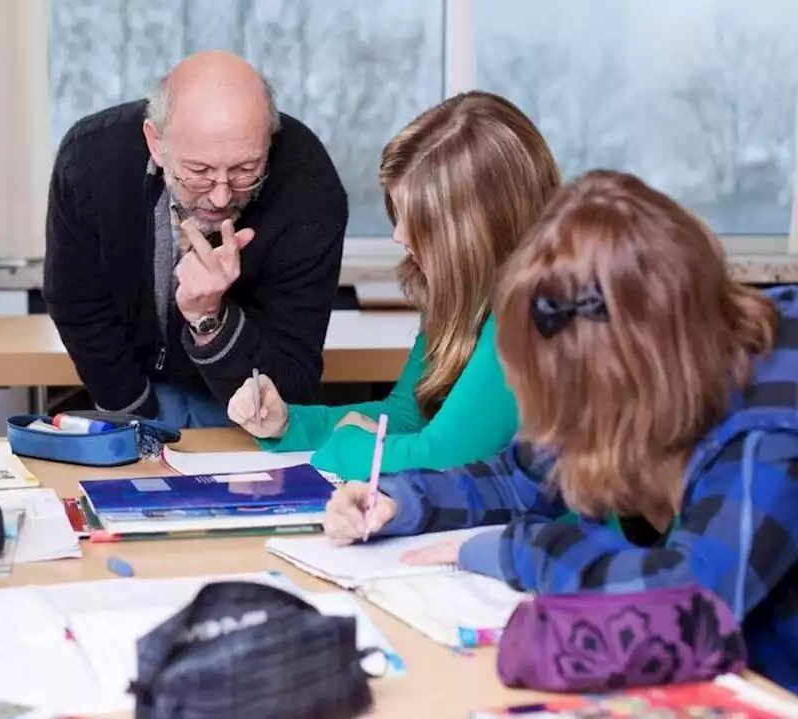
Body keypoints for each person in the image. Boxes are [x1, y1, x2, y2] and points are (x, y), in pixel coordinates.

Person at [324, 171, 798, 691]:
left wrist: (521, 549)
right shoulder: (644, 360)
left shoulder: (771, 431)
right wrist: (402, 500)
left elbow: (685, 599)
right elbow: (519, 477)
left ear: (626, 365)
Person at [228, 91, 560, 480]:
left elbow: (440, 458)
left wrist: (349, 444)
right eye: (397, 214)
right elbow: (406, 416)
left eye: (417, 220)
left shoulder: (531, 315)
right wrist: (289, 424)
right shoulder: (458, 294)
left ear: (477, 229)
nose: (399, 235)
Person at [43, 50, 348, 429]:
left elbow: (291, 383)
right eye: (199, 171)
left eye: (246, 169)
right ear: (156, 143)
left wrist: (211, 318)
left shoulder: (308, 185)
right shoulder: (89, 159)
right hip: (130, 385)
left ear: (269, 142)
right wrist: (133, 411)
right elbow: (78, 305)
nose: (221, 197)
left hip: (237, 398)